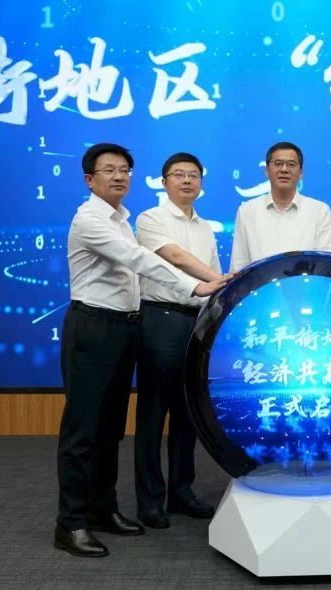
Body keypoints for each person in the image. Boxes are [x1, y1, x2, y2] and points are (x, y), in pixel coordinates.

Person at [55, 143, 226, 558]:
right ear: (89, 179)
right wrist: (196, 286)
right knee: (82, 429)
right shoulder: (90, 220)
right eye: (109, 170)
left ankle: (103, 509)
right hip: (94, 326)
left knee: (110, 428)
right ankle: (70, 522)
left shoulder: (121, 219)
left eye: (125, 170)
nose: (119, 176)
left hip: (123, 328)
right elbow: (139, 260)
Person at [133, 152, 222, 529]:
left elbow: (216, 276)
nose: (187, 181)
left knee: (188, 413)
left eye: (194, 175)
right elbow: (174, 257)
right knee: (154, 414)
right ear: (164, 181)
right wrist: (215, 280)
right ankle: (149, 499)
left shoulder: (206, 228)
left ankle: (181, 491)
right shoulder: (150, 219)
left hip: (195, 322)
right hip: (161, 318)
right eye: (179, 175)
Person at [229, 141, 331, 272]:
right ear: (267, 171)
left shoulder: (320, 211)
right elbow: (239, 266)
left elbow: (325, 266)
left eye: (291, 164)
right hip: (261, 285)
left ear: (301, 173)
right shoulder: (247, 211)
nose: (284, 169)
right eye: (278, 164)